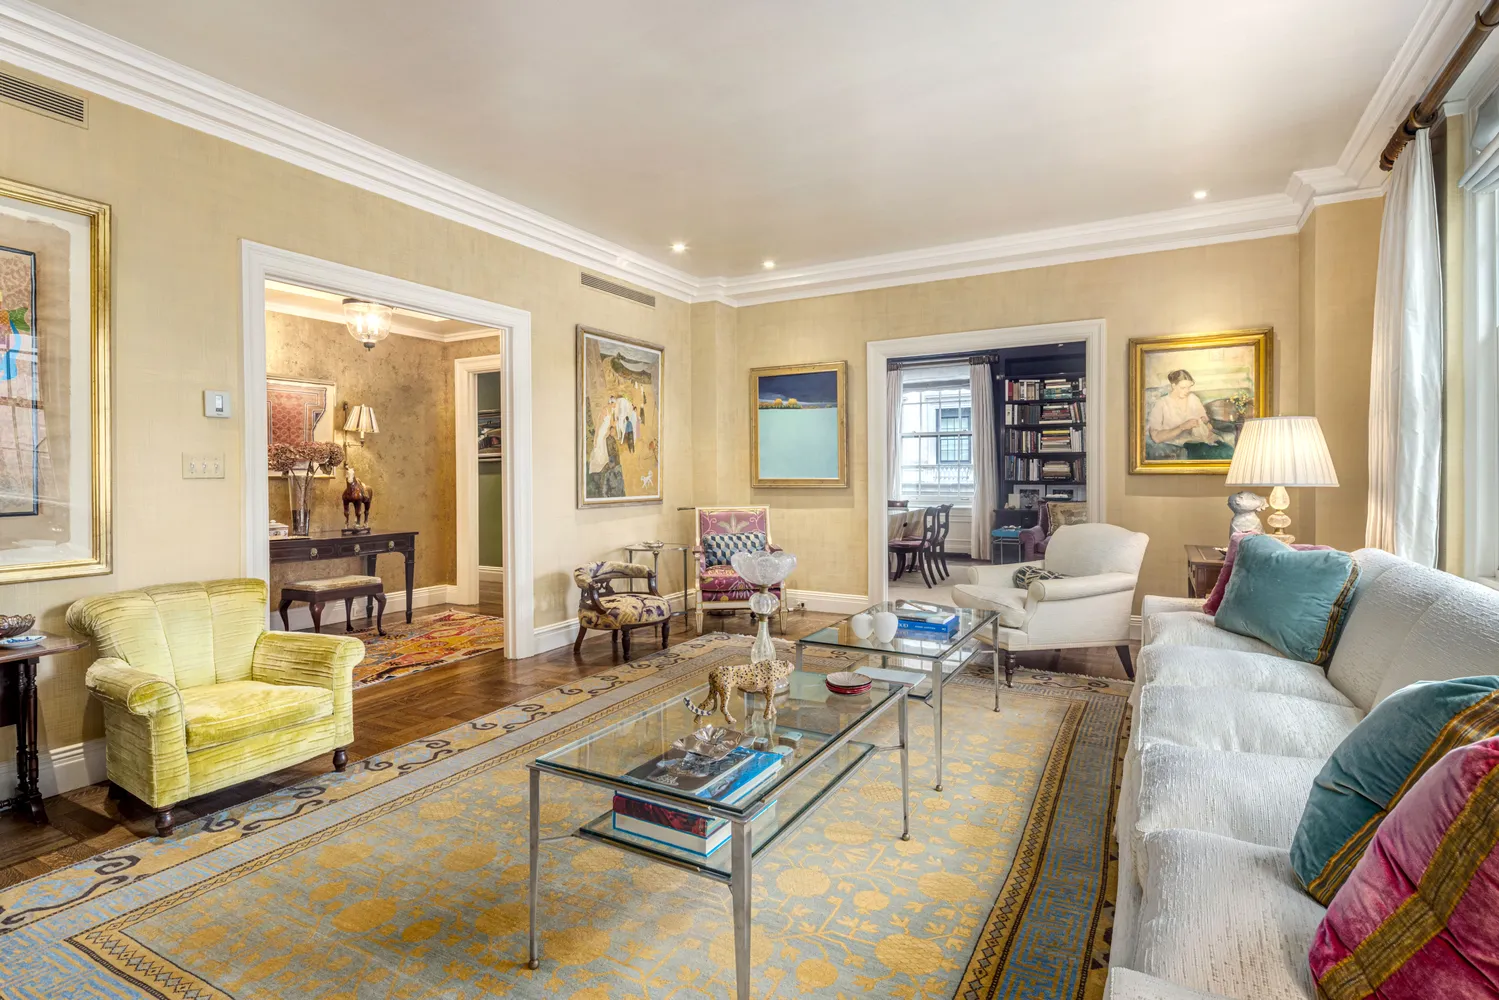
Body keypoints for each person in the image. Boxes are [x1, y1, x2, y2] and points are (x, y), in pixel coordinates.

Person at [1147, 369, 1220, 449]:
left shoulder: (1193, 398)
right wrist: (1182, 427)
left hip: (1198, 441)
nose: (1187, 391)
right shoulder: (1161, 404)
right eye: (1183, 388)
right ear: (1173, 386)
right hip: (1176, 445)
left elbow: (1205, 420)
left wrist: (1204, 421)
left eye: (1189, 387)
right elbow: (1156, 437)